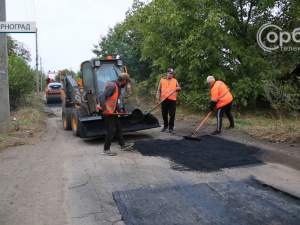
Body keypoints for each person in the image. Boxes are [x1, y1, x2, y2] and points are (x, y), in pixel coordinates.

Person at [98, 73, 133, 156]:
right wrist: (104, 109)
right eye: (127, 82)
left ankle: (122, 145)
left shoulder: (118, 87)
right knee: (111, 130)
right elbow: (101, 97)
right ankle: (106, 150)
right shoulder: (112, 87)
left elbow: (114, 101)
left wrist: (120, 110)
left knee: (118, 127)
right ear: (124, 81)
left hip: (112, 112)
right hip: (106, 112)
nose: (127, 83)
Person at [156, 68, 180, 134]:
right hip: (164, 100)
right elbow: (159, 90)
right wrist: (157, 99)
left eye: (172, 73)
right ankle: (165, 125)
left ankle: (171, 128)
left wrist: (178, 88)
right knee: (164, 114)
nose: (171, 74)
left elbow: (178, 88)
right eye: (170, 73)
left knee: (172, 115)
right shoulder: (162, 80)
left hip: (172, 100)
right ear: (167, 73)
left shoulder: (175, 80)